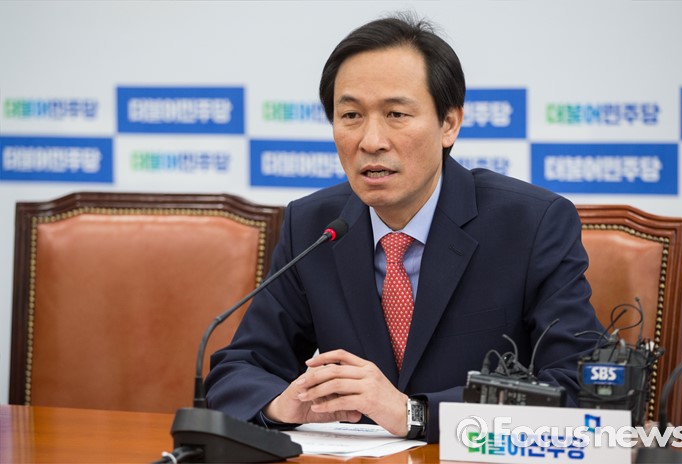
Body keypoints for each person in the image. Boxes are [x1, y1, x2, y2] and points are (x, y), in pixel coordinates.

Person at [205, 13, 604, 443]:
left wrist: (414, 414)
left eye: (396, 114)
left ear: (449, 124)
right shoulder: (313, 227)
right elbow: (238, 371)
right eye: (351, 115)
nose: (371, 141)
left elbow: (581, 390)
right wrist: (282, 403)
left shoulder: (531, 224)